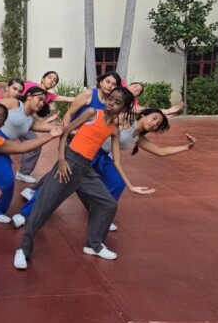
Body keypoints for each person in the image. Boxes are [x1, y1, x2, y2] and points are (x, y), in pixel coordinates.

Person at [13, 87, 154, 270]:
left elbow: (118, 163)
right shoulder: (92, 112)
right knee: (43, 207)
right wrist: (62, 160)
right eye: (111, 99)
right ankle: (22, 250)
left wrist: (131, 186)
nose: (111, 103)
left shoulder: (114, 130)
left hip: (86, 170)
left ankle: (93, 244)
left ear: (125, 108)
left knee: (109, 204)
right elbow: (65, 132)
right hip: (68, 164)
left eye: (118, 102)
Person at [13, 108, 197, 229]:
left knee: (117, 182)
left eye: (158, 124)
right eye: (154, 118)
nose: (154, 122)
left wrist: (187, 147)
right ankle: (25, 214)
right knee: (58, 183)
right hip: (85, 152)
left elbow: (161, 151)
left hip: (102, 158)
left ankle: (100, 213)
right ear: (144, 114)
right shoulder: (126, 119)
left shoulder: (138, 137)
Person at [0, 86, 59, 223]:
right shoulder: (15, 103)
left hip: (1, 146)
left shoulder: (30, 121)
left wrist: (68, 129)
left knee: (7, 181)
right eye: (39, 99)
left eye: (43, 102)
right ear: (29, 96)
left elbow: (52, 129)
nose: (41, 103)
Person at [15, 71, 75, 181]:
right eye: (50, 77)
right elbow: (14, 90)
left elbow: (67, 99)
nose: (52, 80)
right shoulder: (31, 86)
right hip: (12, 117)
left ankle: (23, 172)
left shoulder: (49, 96)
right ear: (42, 78)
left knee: (35, 144)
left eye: (55, 80)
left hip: (26, 122)